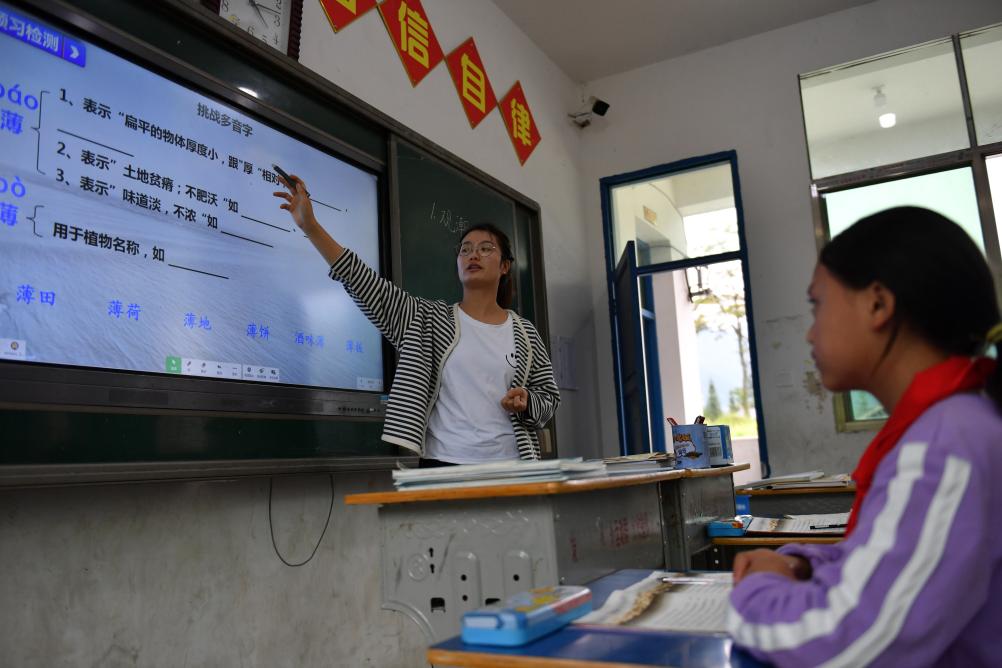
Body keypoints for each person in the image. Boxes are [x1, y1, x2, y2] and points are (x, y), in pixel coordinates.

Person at [728, 207, 1002, 667]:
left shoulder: (947, 443)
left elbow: (847, 642)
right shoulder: (951, 423)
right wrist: (802, 565)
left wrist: (754, 592)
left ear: (878, 304)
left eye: (818, 304)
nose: (811, 332)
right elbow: (888, 560)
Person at [274, 174, 558, 466]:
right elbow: (361, 279)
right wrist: (311, 226)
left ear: (505, 266)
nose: (473, 254)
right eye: (465, 249)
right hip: (444, 465)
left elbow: (549, 400)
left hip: (513, 466)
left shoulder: (525, 333)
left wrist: (527, 401)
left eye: (486, 248)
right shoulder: (428, 320)